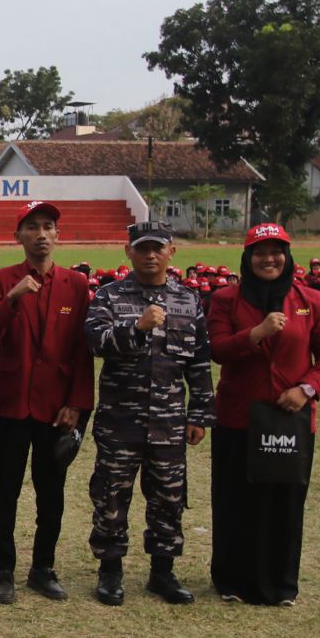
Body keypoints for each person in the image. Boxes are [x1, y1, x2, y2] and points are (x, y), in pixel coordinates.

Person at [206, 223, 320, 605]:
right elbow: (217, 349)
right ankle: (232, 580)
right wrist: (257, 333)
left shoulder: (310, 300)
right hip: (238, 418)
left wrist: (306, 389)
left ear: (287, 256)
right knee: (235, 499)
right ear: (247, 258)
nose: (269, 259)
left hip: (290, 420)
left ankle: (281, 584)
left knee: (284, 501)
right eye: (260, 252)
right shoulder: (226, 299)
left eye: (276, 252)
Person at [84, 221, 214, 606]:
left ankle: (163, 572)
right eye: (142, 248)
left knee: (168, 499)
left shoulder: (188, 301)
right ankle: (110, 570)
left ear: (172, 251)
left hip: (169, 422)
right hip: (120, 422)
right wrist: (136, 328)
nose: (151, 255)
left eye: (158, 247)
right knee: (111, 497)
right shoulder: (109, 296)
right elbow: (95, 342)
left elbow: (199, 362)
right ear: (129, 252)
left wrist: (200, 413)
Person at [0, 201, 95, 604]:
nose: (41, 234)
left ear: (57, 235)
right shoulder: (2, 280)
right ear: (19, 236)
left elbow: (82, 349)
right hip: (11, 404)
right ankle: (4, 570)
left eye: (48, 226)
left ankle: (43, 568)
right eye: (32, 227)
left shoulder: (75, 284)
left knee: (51, 493)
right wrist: (11, 299)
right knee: (4, 491)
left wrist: (76, 404)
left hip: (55, 407)